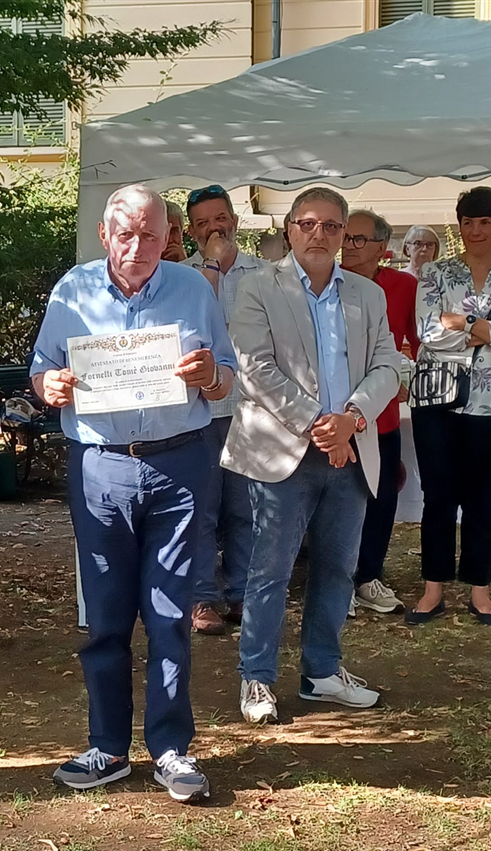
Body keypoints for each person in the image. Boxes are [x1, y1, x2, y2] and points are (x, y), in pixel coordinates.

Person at [32, 184, 236, 802]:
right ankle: (108, 747)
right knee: (106, 614)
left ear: (168, 236)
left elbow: (226, 376)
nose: (138, 246)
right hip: (100, 468)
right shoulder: (72, 290)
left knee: (171, 613)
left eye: (151, 234)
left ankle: (172, 749)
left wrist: (211, 375)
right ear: (105, 235)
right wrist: (51, 387)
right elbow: (41, 368)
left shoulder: (194, 288)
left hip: (179, 465)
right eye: (127, 234)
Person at [222, 187, 401, 725]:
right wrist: (322, 424)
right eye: (307, 223)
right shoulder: (257, 287)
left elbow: (389, 365)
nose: (318, 234)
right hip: (282, 451)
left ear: (345, 234)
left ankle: (322, 672)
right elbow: (255, 369)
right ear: (289, 230)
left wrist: (352, 419)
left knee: (339, 569)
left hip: (350, 450)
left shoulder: (368, 294)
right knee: (269, 572)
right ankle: (257, 676)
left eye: (330, 226)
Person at [407, 186, 491, 628]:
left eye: (484, 222)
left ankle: (480, 589)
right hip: (437, 399)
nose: (476, 230)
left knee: (482, 498)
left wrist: (461, 322)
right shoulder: (435, 272)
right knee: (437, 496)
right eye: (468, 222)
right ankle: (433, 589)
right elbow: (428, 332)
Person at [180, 184, 269, 635]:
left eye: (220, 219)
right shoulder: (180, 277)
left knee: (245, 510)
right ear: (191, 231)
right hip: (198, 413)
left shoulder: (266, 274)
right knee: (200, 511)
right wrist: (212, 267)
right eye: (202, 223)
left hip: (251, 410)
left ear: (234, 220)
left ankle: (241, 595)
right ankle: (201, 599)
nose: (213, 229)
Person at [340, 209, 420, 616]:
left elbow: (418, 342)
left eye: (358, 239)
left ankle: (369, 575)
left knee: (382, 497)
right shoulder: (325, 282)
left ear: (382, 248)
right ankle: (337, 583)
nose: (348, 246)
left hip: (383, 414)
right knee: (335, 500)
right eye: (345, 237)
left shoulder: (404, 285)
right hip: (334, 415)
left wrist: (410, 380)